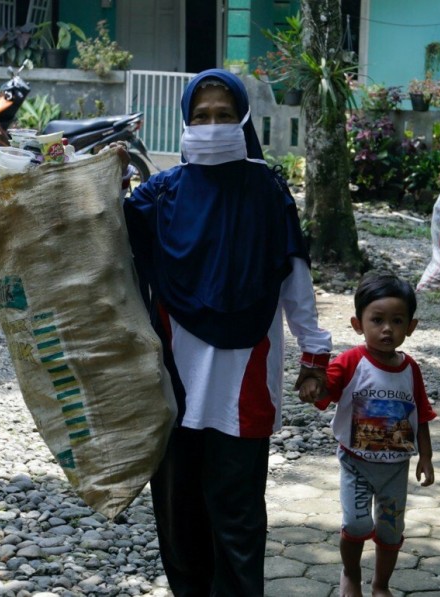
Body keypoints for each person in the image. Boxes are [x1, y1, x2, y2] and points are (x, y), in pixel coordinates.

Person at [120, 69, 332, 596]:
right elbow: (98, 230)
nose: (211, 126)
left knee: (237, 519)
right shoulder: (163, 193)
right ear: (185, 123)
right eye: (200, 117)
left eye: (222, 116)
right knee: (178, 514)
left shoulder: (266, 192)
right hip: (172, 383)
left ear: (242, 121)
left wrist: (314, 351)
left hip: (244, 382)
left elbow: (295, 277)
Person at [305, 273, 435, 597]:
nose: (387, 329)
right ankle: (350, 573)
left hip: (395, 469)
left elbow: (422, 415)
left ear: (411, 327)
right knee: (356, 524)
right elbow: (326, 389)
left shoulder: (410, 369)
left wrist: (427, 458)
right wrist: (312, 383)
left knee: (391, 531)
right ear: (357, 323)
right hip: (356, 463)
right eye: (377, 320)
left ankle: (381, 585)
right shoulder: (351, 362)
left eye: (397, 320)